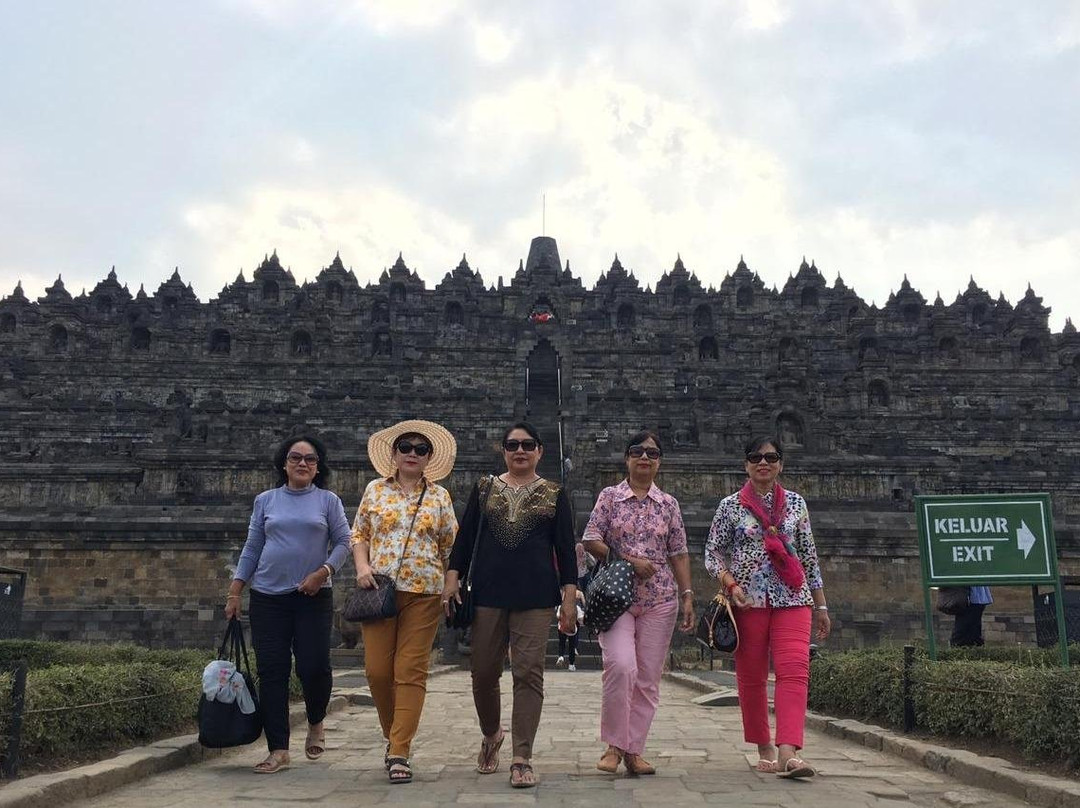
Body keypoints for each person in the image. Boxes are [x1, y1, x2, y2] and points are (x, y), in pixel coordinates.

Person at [443, 422, 578, 789]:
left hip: (536, 595)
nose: (520, 450)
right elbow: (465, 536)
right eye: (512, 444)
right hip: (488, 592)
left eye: (527, 444)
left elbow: (566, 550)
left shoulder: (554, 493)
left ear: (540, 451)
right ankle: (492, 734)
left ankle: (522, 756)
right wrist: (452, 577)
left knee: (528, 672)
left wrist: (569, 598)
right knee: (483, 671)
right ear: (503, 450)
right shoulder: (486, 488)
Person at [705, 435, 830, 779]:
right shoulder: (731, 506)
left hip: (793, 595)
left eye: (771, 457)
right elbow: (712, 553)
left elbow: (808, 554)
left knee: (794, 670)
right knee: (752, 675)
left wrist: (821, 605)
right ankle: (764, 745)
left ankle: (789, 750)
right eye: (756, 457)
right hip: (749, 601)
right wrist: (730, 584)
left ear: (781, 464)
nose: (764, 463)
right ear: (746, 465)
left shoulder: (795, 504)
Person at [225, 434, 351, 774]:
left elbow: (343, 543)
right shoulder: (266, 500)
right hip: (267, 596)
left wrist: (322, 571)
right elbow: (252, 547)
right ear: (284, 463)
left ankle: (316, 720)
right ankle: (278, 749)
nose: (302, 464)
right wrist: (236, 590)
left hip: (313, 595)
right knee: (272, 673)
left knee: (313, 666)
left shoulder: (328, 501)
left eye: (310, 459)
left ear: (318, 467)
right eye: (295, 457)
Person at [351, 419, 459, 784]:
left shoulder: (440, 496)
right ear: (394, 454)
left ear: (429, 458)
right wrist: (362, 566)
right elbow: (359, 533)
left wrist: (450, 585)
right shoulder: (374, 490)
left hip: (424, 592)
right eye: (406, 448)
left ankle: (399, 749)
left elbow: (449, 546)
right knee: (377, 671)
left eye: (421, 449)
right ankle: (393, 735)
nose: (413, 454)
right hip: (378, 590)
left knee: (409, 671)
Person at [583, 430, 695, 776]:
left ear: (659, 462)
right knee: (621, 666)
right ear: (627, 458)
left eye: (652, 453)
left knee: (647, 678)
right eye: (637, 451)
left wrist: (688, 595)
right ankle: (614, 746)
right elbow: (590, 539)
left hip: (660, 599)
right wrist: (630, 561)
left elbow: (678, 553)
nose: (645, 457)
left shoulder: (669, 504)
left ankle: (633, 750)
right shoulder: (610, 497)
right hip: (617, 598)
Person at [555, 589, 586, 671]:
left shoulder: (561, 606)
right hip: (572, 629)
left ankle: (561, 656)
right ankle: (571, 664)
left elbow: (558, 616)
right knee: (571, 646)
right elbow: (581, 619)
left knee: (561, 643)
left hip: (561, 627)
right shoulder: (577, 608)